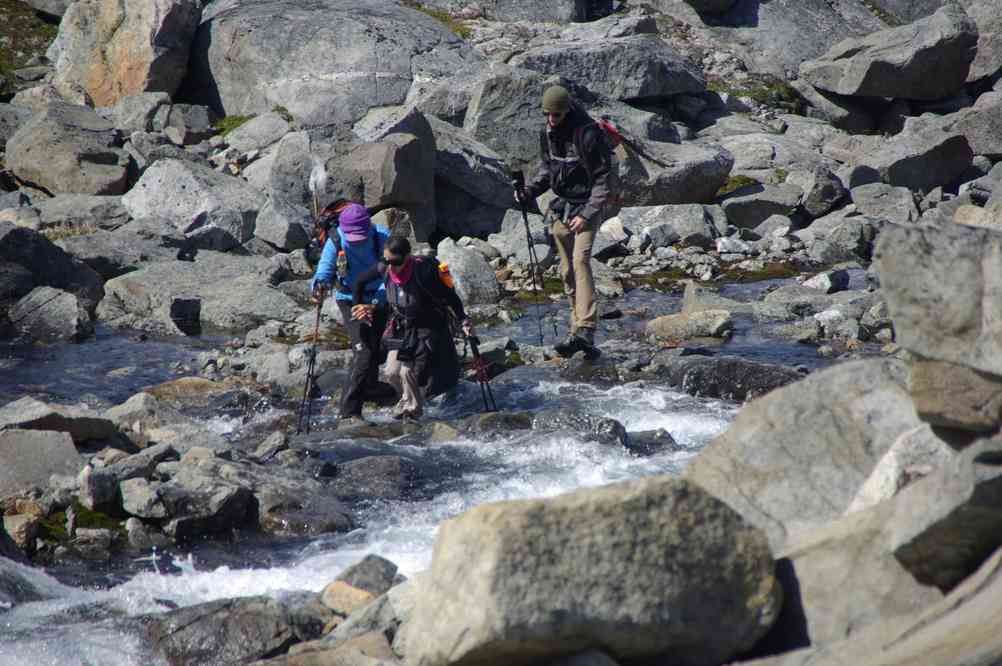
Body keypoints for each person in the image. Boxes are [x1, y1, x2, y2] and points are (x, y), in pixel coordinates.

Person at [514, 84, 615, 360]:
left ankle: (586, 328)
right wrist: (529, 192)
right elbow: (548, 169)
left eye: (556, 115)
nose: (551, 119)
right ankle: (575, 331)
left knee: (581, 259)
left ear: (567, 111)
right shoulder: (547, 132)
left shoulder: (588, 135)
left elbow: (604, 179)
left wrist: (587, 214)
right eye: (547, 114)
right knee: (566, 269)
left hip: (587, 207)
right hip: (562, 207)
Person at [351, 237, 473, 420]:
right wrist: (357, 306)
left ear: (407, 257)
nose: (391, 266)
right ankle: (407, 398)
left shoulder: (423, 272)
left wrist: (464, 320)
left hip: (426, 326)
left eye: (395, 261)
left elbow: (450, 297)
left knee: (407, 371)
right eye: (386, 260)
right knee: (391, 372)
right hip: (401, 326)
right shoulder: (385, 269)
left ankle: (413, 412)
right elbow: (359, 282)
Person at [310, 202, 390, 423]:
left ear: (369, 228)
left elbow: (392, 276)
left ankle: (371, 387)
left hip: (378, 297)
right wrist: (319, 288)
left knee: (376, 345)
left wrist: (373, 303)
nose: (358, 241)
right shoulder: (336, 240)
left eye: (361, 236)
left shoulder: (383, 237)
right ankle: (349, 411)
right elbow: (324, 272)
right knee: (363, 350)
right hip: (348, 299)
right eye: (353, 236)